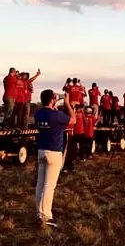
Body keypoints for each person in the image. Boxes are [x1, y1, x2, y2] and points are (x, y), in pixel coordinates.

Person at [35, 89, 75, 228]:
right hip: (54, 152)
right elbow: (73, 121)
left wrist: (53, 103)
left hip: (41, 150)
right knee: (49, 186)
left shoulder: (38, 113)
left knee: (40, 183)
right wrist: (68, 104)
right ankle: (46, 216)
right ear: (52, 100)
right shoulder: (57, 115)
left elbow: (48, 113)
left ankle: (39, 213)